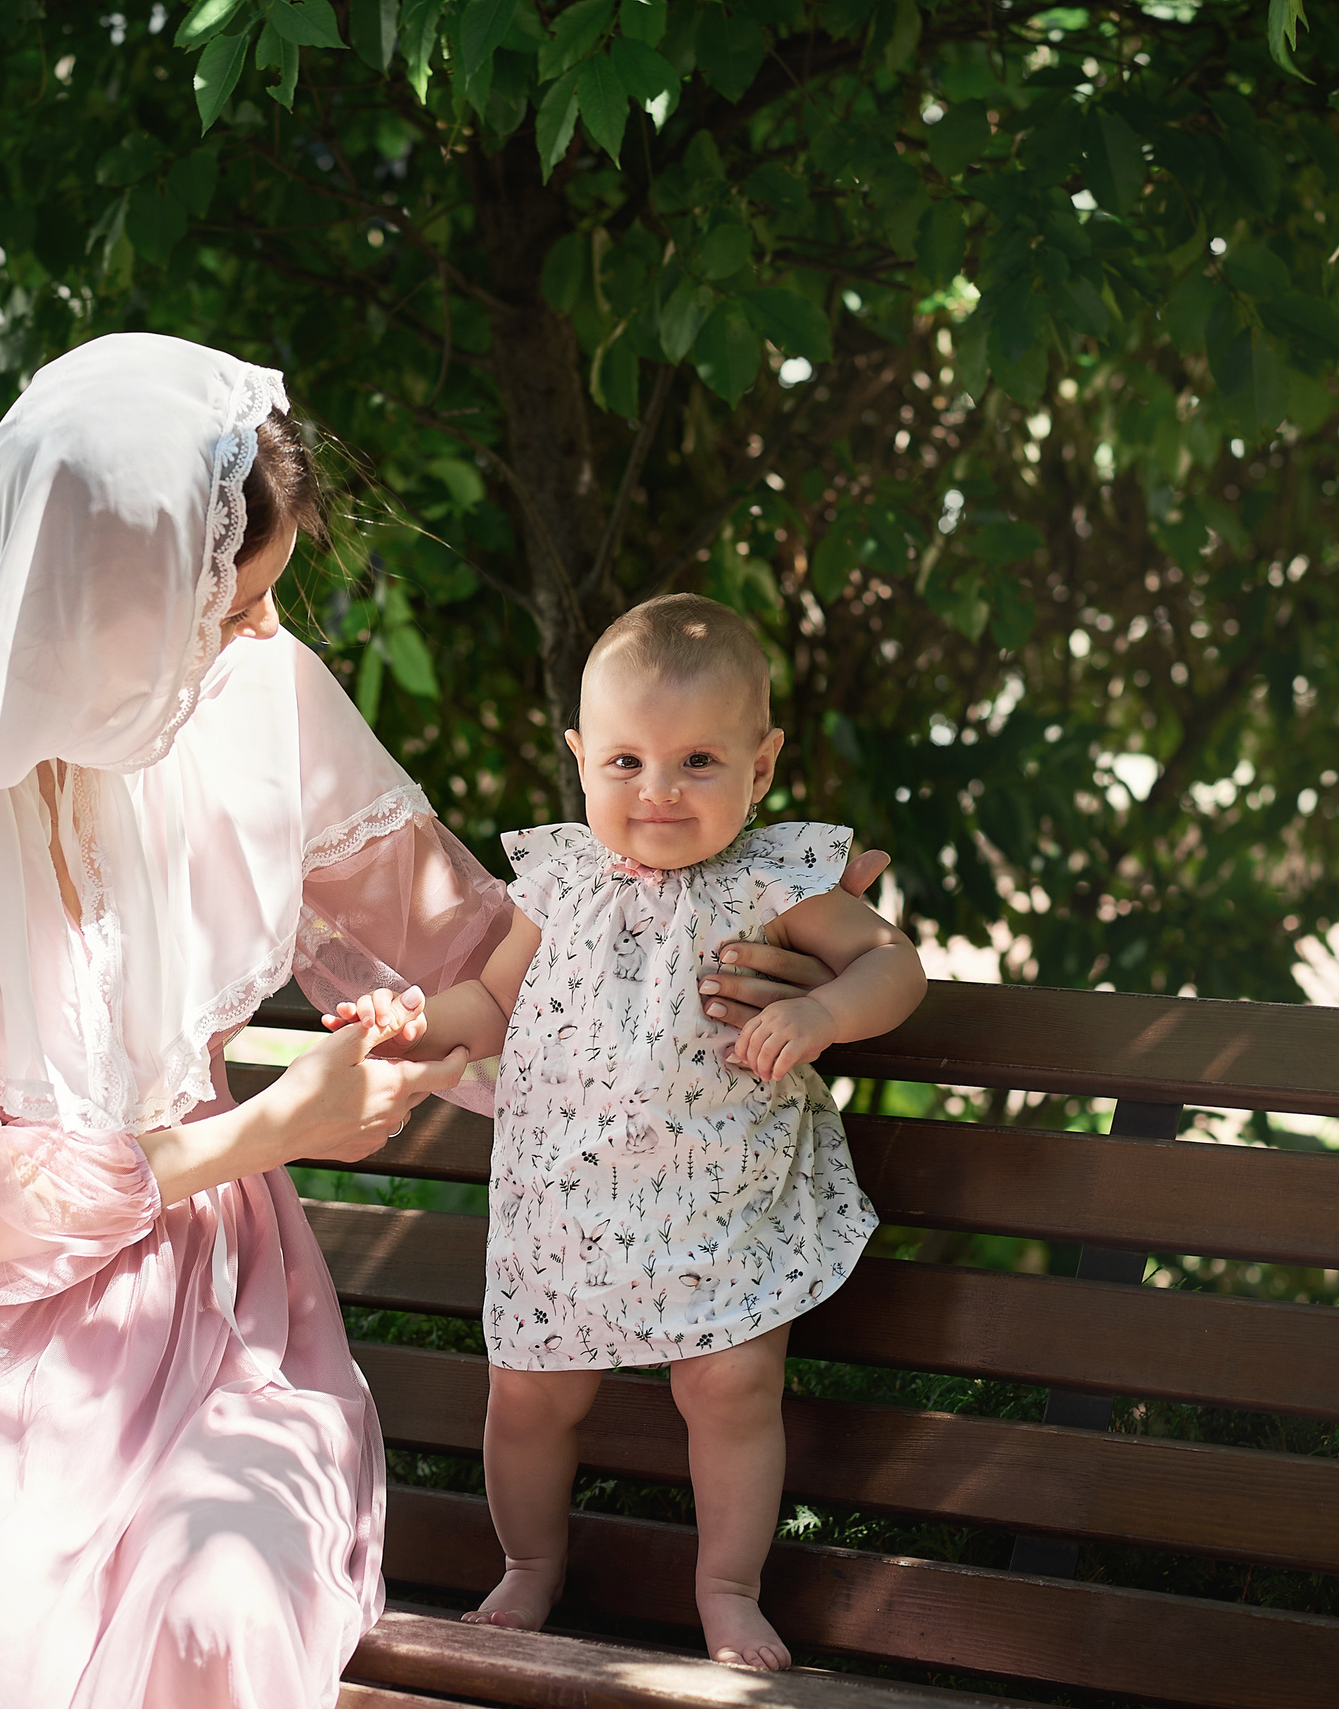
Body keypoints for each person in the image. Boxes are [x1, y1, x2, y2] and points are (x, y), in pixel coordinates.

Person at [0, 337, 879, 1708]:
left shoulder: (254, 693)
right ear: (101, 593)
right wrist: (272, 1125)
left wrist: (748, 918)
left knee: (222, 1606)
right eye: (228, 602)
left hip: (211, 1315)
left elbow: (489, 955)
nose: (263, 632)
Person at [325, 594, 925, 1671]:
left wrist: (821, 1012)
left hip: (719, 1197)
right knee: (527, 1394)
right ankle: (529, 1563)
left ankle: (728, 1586)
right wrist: (416, 1026)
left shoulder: (774, 880)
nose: (657, 791)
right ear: (579, 756)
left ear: (763, 759)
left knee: (731, 1386)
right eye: (624, 761)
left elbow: (894, 963)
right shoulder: (556, 885)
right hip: (568, 1207)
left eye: (698, 759)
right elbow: (489, 1004)